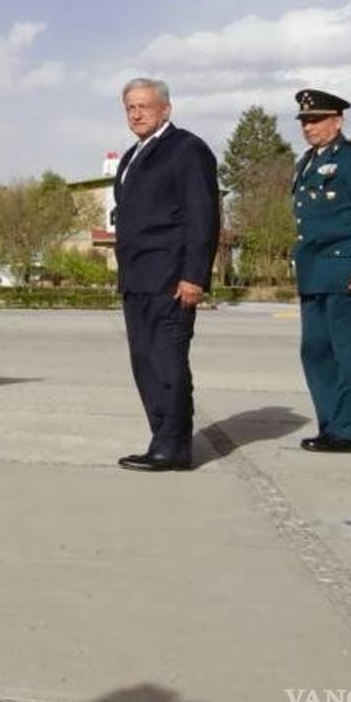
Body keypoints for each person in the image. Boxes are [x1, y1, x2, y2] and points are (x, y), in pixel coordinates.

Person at [111, 78, 219, 472]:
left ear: (166, 110)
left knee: (167, 362)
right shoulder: (132, 157)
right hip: (138, 280)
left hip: (171, 280)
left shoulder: (186, 149)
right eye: (130, 108)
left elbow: (202, 217)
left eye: (144, 106)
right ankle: (161, 438)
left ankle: (173, 445)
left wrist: (194, 276)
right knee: (145, 362)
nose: (137, 114)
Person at [289, 89, 351, 453]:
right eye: (305, 121)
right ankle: (329, 424)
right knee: (315, 350)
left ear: (337, 121)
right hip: (313, 272)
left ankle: (347, 430)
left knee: (347, 352)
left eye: (317, 120)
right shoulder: (306, 162)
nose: (309, 127)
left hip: (346, 271)